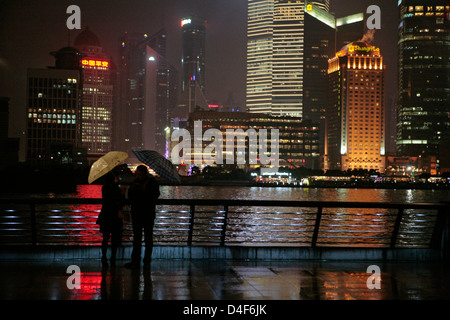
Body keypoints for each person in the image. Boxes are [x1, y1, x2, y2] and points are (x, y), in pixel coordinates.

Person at [125, 165, 160, 268]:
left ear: (145, 173)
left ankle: (146, 260)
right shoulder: (134, 182)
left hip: (147, 213)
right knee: (137, 238)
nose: (139, 176)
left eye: (140, 174)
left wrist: (145, 190)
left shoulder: (152, 183)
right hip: (138, 213)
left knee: (147, 238)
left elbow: (155, 195)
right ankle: (136, 260)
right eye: (138, 174)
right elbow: (130, 196)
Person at [96, 171, 126, 267]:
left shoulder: (104, 188)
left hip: (106, 215)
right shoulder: (116, 189)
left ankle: (104, 257)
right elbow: (121, 202)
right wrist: (122, 193)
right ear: (113, 179)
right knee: (114, 239)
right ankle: (112, 258)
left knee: (105, 238)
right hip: (115, 216)